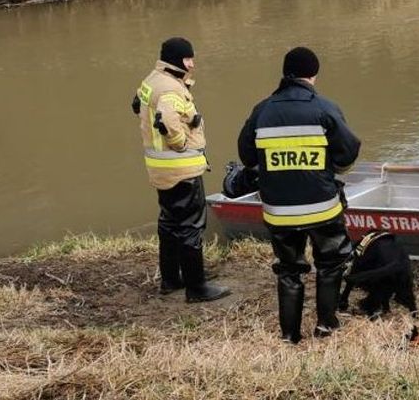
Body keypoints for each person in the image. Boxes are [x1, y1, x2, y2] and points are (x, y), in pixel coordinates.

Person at [237, 46, 362, 343]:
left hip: (279, 211)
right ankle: (326, 325)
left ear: (285, 73)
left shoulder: (262, 110)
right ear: (313, 75)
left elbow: (247, 158)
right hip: (323, 208)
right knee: (330, 263)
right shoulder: (325, 108)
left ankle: (289, 335)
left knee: (289, 270)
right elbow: (348, 154)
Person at [131, 37, 230, 303]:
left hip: (160, 168)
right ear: (177, 60)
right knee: (191, 226)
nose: (192, 64)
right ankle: (196, 288)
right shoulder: (171, 89)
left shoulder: (151, 80)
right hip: (181, 168)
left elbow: (136, 105)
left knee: (170, 223)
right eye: (189, 59)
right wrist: (181, 143)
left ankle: (171, 279)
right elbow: (169, 122)